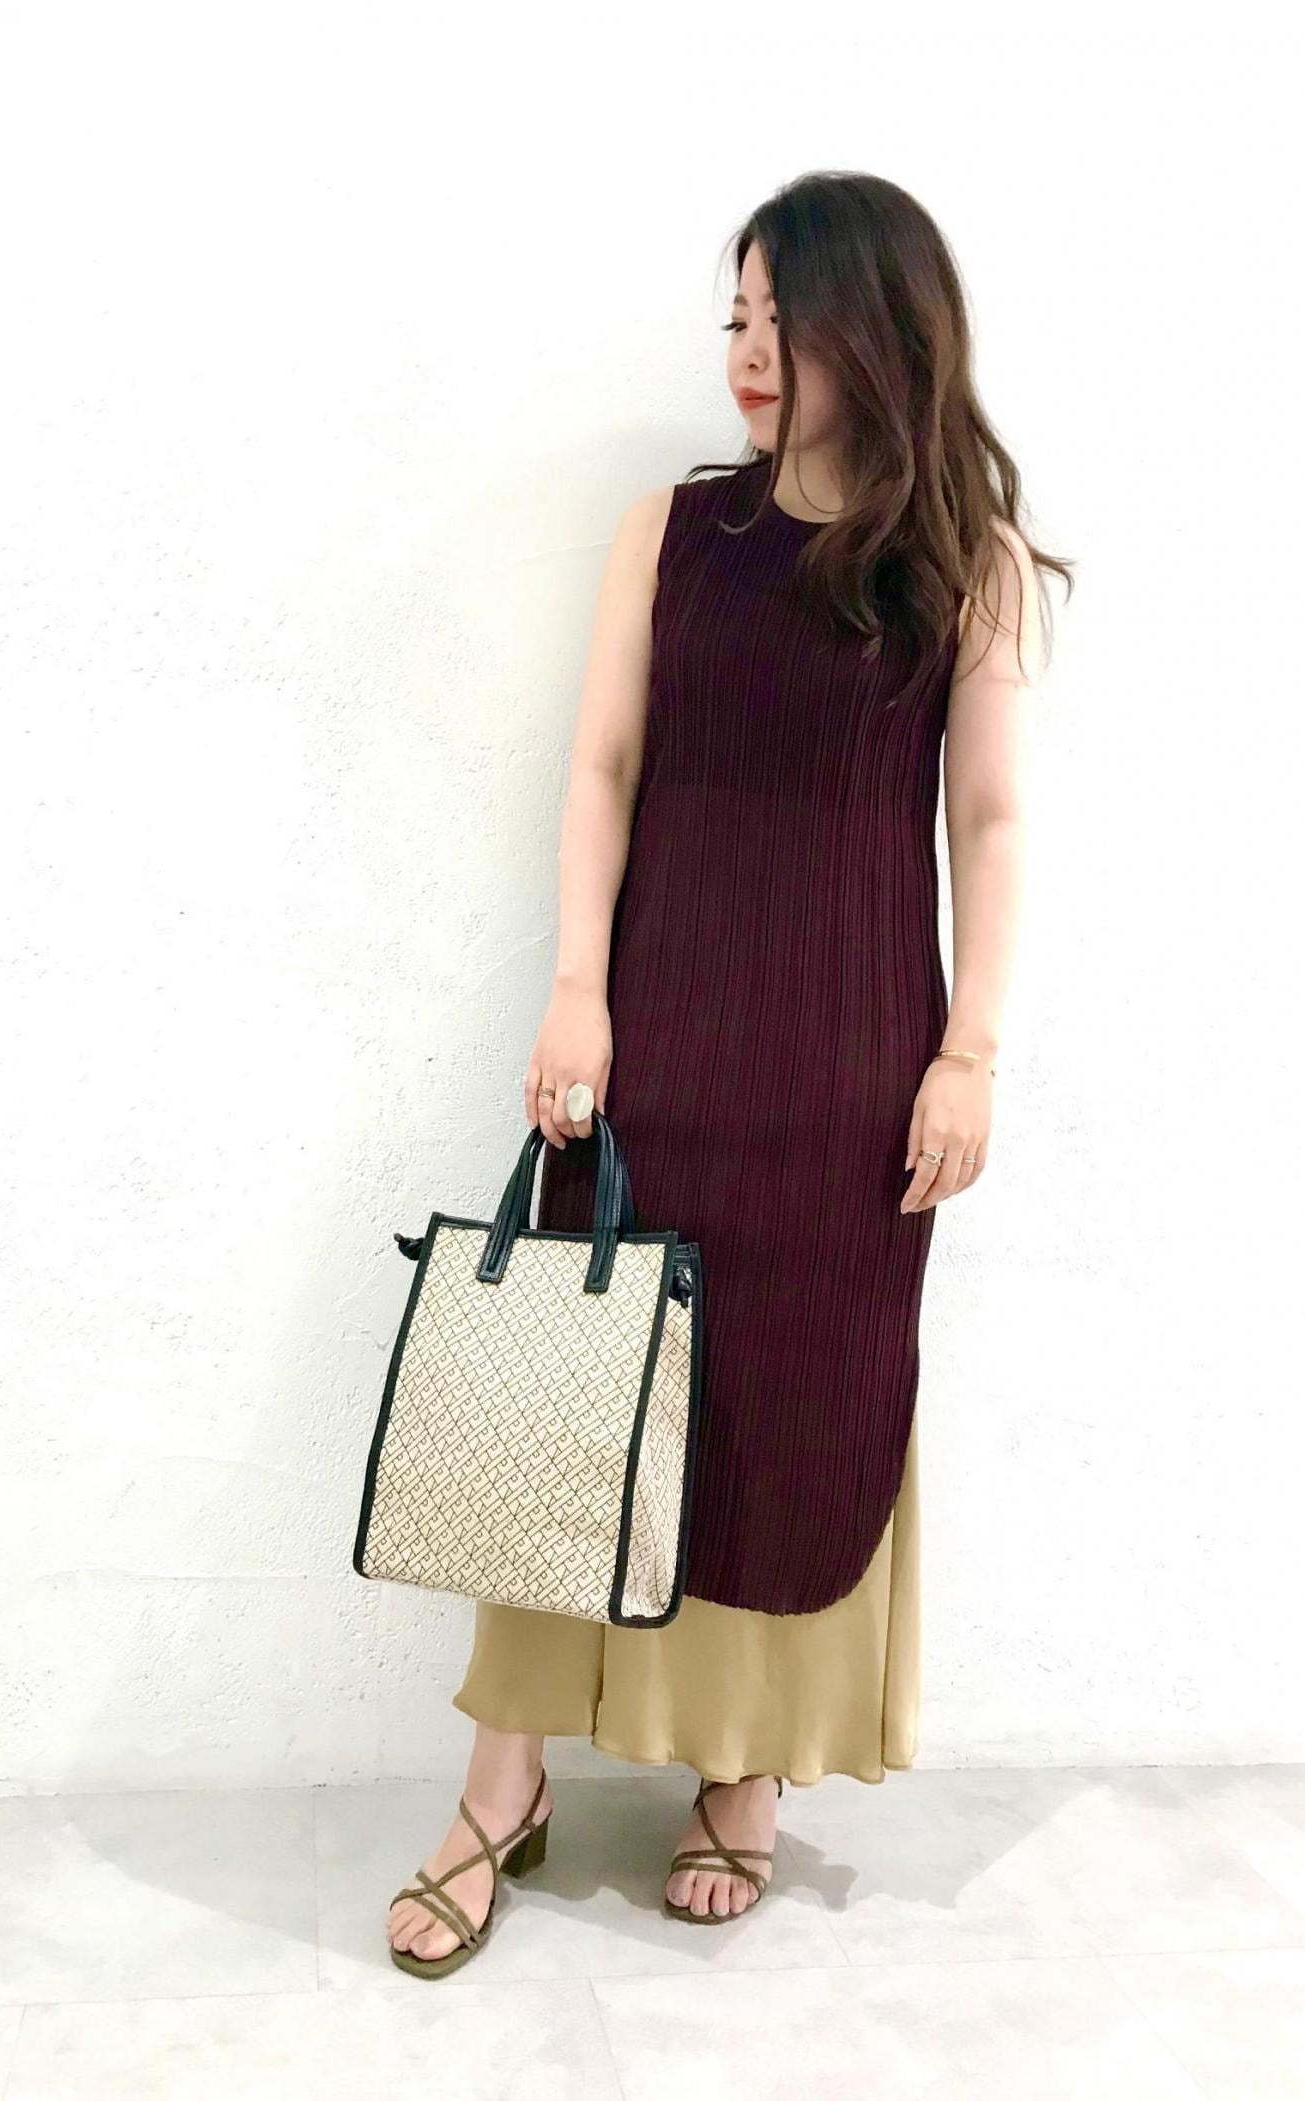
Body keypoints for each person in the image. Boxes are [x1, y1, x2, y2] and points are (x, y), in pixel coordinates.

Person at [386, 168, 1068, 1977]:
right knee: (570, 1400)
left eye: (782, 318)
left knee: (790, 1408)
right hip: (659, 1037)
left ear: (876, 329)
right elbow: (605, 765)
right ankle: (501, 1785)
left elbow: (994, 820)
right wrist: (575, 991)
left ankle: (744, 1772)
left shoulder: (967, 563)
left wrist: (972, 1052)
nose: (748, 353)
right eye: (736, 318)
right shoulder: (673, 530)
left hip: (852, 1068)